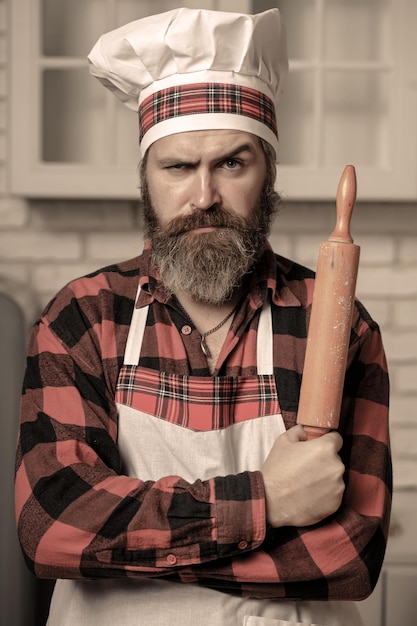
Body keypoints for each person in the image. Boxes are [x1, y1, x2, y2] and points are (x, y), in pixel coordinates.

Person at [15, 7, 391, 626]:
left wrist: (125, 547)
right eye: (178, 167)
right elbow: (53, 526)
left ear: (268, 174)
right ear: (147, 180)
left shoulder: (335, 322)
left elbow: (346, 556)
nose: (204, 196)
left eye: (232, 163)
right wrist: (265, 504)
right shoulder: (83, 317)